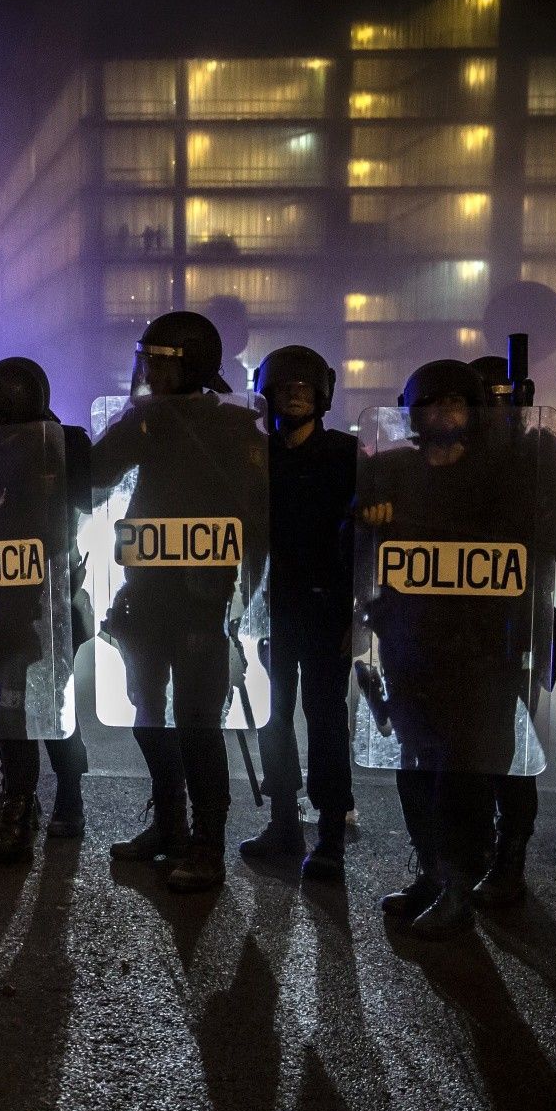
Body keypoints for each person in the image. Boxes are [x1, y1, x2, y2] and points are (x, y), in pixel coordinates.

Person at [365, 361, 553, 939]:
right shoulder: (392, 468)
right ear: (412, 412)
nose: (443, 416)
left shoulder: (506, 472)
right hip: (408, 638)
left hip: (480, 643)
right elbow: (356, 549)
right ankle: (430, 871)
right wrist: (368, 520)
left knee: (466, 767)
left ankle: (456, 886)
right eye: (431, 405)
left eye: (455, 404)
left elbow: (549, 541)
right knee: (416, 763)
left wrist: (546, 463)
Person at [91, 311, 269, 891]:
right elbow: (95, 475)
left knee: (196, 724)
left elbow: (258, 520)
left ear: (189, 365)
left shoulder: (236, 428)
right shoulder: (144, 418)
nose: (147, 372)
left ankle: (206, 846)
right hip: (146, 591)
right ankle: (168, 825)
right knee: (147, 715)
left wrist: (243, 595)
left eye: (158, 362)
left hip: (202, 597)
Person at [466, 354, 556, 907]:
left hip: (518, 615)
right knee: (456, 739)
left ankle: (507, 857)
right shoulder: (441, 448)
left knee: (512, 743)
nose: (498, 407)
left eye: (504, 396)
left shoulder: (548, 452)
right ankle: (460, 857)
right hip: (454, 615)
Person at [0, 356, 90, 864]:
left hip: (43, 604)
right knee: (0, 707)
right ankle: (19, 798)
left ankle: (67, 800)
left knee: (48, 708)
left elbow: (77, 512)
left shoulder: (60, 448)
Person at [237, 344, 356, 882]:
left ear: (324, 393)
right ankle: (285, 822)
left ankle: (329, 834)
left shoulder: (347, 456)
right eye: (284, 386)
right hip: (269, 607)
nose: (294, 394)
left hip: (327, 607)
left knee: (326, 719)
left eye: (304, 387)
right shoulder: (254, 455)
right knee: (273, 718)